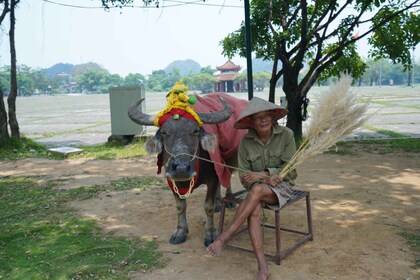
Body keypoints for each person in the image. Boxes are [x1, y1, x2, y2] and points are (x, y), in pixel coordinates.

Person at [207, 97, 297, 280]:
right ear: (252, 122)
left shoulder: (286, 135)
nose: (263, 120)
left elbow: (291, 170)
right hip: (257, 190)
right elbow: (244, 177)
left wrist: (262, 174)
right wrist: (263, 178)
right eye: (258, 118)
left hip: (283, 187)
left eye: (267, 116)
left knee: (255, 192)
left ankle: (224, 237)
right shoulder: (246, 143)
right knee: (254, 206)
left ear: (273, 118)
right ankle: (262, 266)